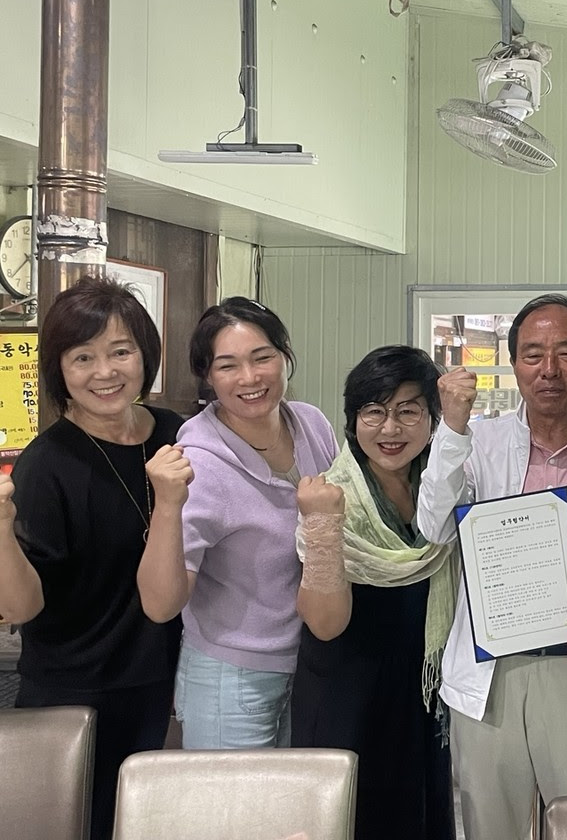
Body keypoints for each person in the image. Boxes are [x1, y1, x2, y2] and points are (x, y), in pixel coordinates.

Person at [418, 294, 567, 840]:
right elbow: (434, 527)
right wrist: (451, 428)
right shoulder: (478, 442)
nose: (549, 369)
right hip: (494, 673)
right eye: (533, 354)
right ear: (514, 363)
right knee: (492, 828)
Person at [0, 276, 191, 840]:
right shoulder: (46, 465)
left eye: (120, 351)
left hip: (163, 682)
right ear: (59, 370)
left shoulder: (178, 436)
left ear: (145, 355)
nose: (105, 372)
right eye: (83, 357)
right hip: (73, 692)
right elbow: (21, 607)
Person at [137, 297, 337, 748]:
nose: (250, 378)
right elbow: (161, 604)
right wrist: (167, 504)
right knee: (231, 798)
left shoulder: (312, 426)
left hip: (311, 663)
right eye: (228, 365)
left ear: (285, 356)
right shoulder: (201, 465)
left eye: (262, 357)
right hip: (231, 678)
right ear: (208, 376)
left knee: (303, 796)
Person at [291, 346, 457, 840]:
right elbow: (324, 624)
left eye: (408, 411)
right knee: (354, 821)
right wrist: (323, 526)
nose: (390, 429)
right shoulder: (329, 496)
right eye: (373, 411)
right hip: (347, 693)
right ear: (352, 420)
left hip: (422, 691)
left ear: (432, 419)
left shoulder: (443, 489)